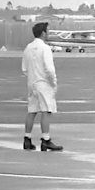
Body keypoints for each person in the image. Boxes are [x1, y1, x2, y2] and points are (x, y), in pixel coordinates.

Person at [22, 22, 62, 151]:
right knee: (46, 110)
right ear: (43, 33)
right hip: (43, 83)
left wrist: (32, 76)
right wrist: (53, 83)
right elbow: (49, 69)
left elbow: (24, 69)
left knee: (32, 110)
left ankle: (27, 138)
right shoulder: (45, 48)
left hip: (31, 82)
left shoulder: (28, 48)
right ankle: (46, 139)